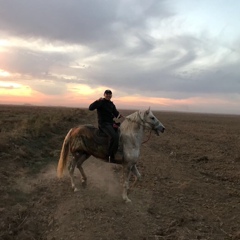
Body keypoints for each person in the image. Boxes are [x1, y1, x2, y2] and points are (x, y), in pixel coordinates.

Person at [89, 89, 122, 162]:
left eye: (109, 94)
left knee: (121, 132)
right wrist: (97, 101)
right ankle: (109, 155)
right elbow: (90, 108)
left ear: (111, 96)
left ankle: (117, 150)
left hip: (111, 123)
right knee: (114, 136)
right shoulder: (101, 102)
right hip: (103, 124)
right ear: (104, 95)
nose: (108, 95)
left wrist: (122, 116)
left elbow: (116, 114)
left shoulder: (111, 104)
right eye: (107, 94)